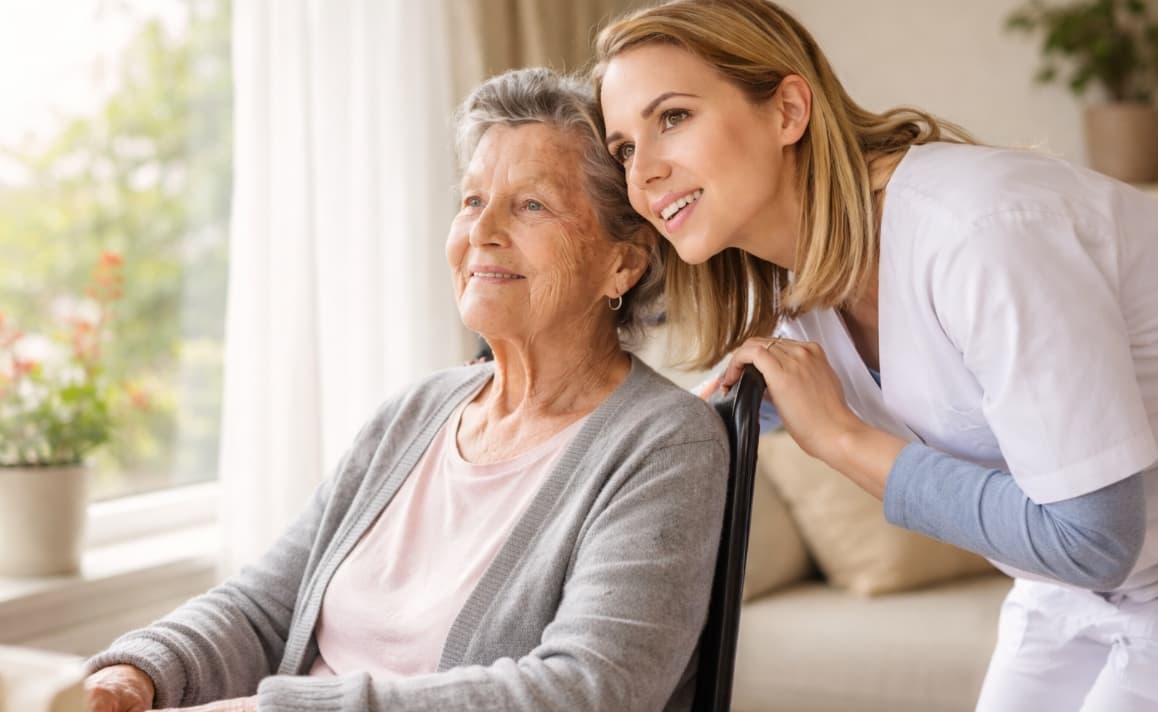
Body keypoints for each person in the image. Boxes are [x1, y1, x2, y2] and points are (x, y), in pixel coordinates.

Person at [83, 67, 729, 712]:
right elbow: (261, 609)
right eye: (473, 200)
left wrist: (273, 710)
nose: (482, 232)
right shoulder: (414, 412)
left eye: (530, 204)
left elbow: (589, 691)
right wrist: (133, 676)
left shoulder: (667, 444)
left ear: (624, 260)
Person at [594, 1, 1158, 710]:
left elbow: (1093, 538)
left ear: (787, 110)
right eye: (622, 149)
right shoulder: (795, 290)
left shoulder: (981, 236)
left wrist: (839, 438)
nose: (642, 172)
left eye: (672, 117)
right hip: (1072, 593)